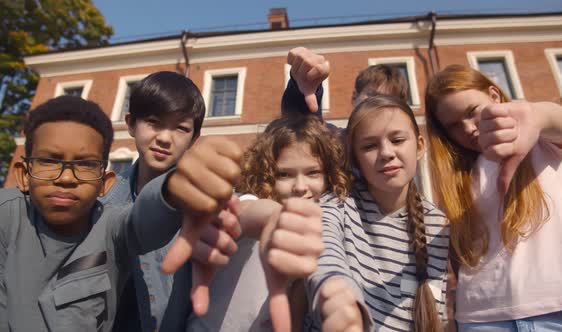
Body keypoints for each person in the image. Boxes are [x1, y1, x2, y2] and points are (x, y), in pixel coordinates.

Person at [0, 95, 242, 331]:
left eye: (85, 165)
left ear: (105, 183)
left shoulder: (111, 228)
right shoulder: (6, 215)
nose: (65, 178)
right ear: (23, 174)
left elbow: (144, 217)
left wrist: (175, 187)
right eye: (50, 161)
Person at [425, 64, 562, 331]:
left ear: (494, 96)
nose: (468, 128)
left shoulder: (542, 143)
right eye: (453, 126)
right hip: (483, 319)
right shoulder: (457, 179)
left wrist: (535, 114)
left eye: (473, 112)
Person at [185, 114, 349, 332]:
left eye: (312, 173)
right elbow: (248, 213)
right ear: (266, 174)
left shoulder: (323, 228)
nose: (300, 186)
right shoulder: (246, 200)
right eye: (284, 175)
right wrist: (276, 218)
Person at [306, 95, 449, 331]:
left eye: (398, 140)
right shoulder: (336, 205)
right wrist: (336, 296)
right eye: (370, 146)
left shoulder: (437, 224)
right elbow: (325, 253)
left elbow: (436, 305)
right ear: (355, 158)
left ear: (420, 146)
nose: (386, 153)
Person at [99, 71, 206, 332]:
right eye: (154, 122)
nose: (165, 138)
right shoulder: (101, 200)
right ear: (131, 124)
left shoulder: (202, 202)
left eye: (181, 128)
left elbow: (245, 208)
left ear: (194, 137)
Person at [281, 47, 409, 129]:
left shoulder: (403, 154)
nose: (379, 106)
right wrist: (300, 92)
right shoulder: (334, 144)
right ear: (354, 97)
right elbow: (305, 130)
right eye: (372, 96)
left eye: (389, 101)